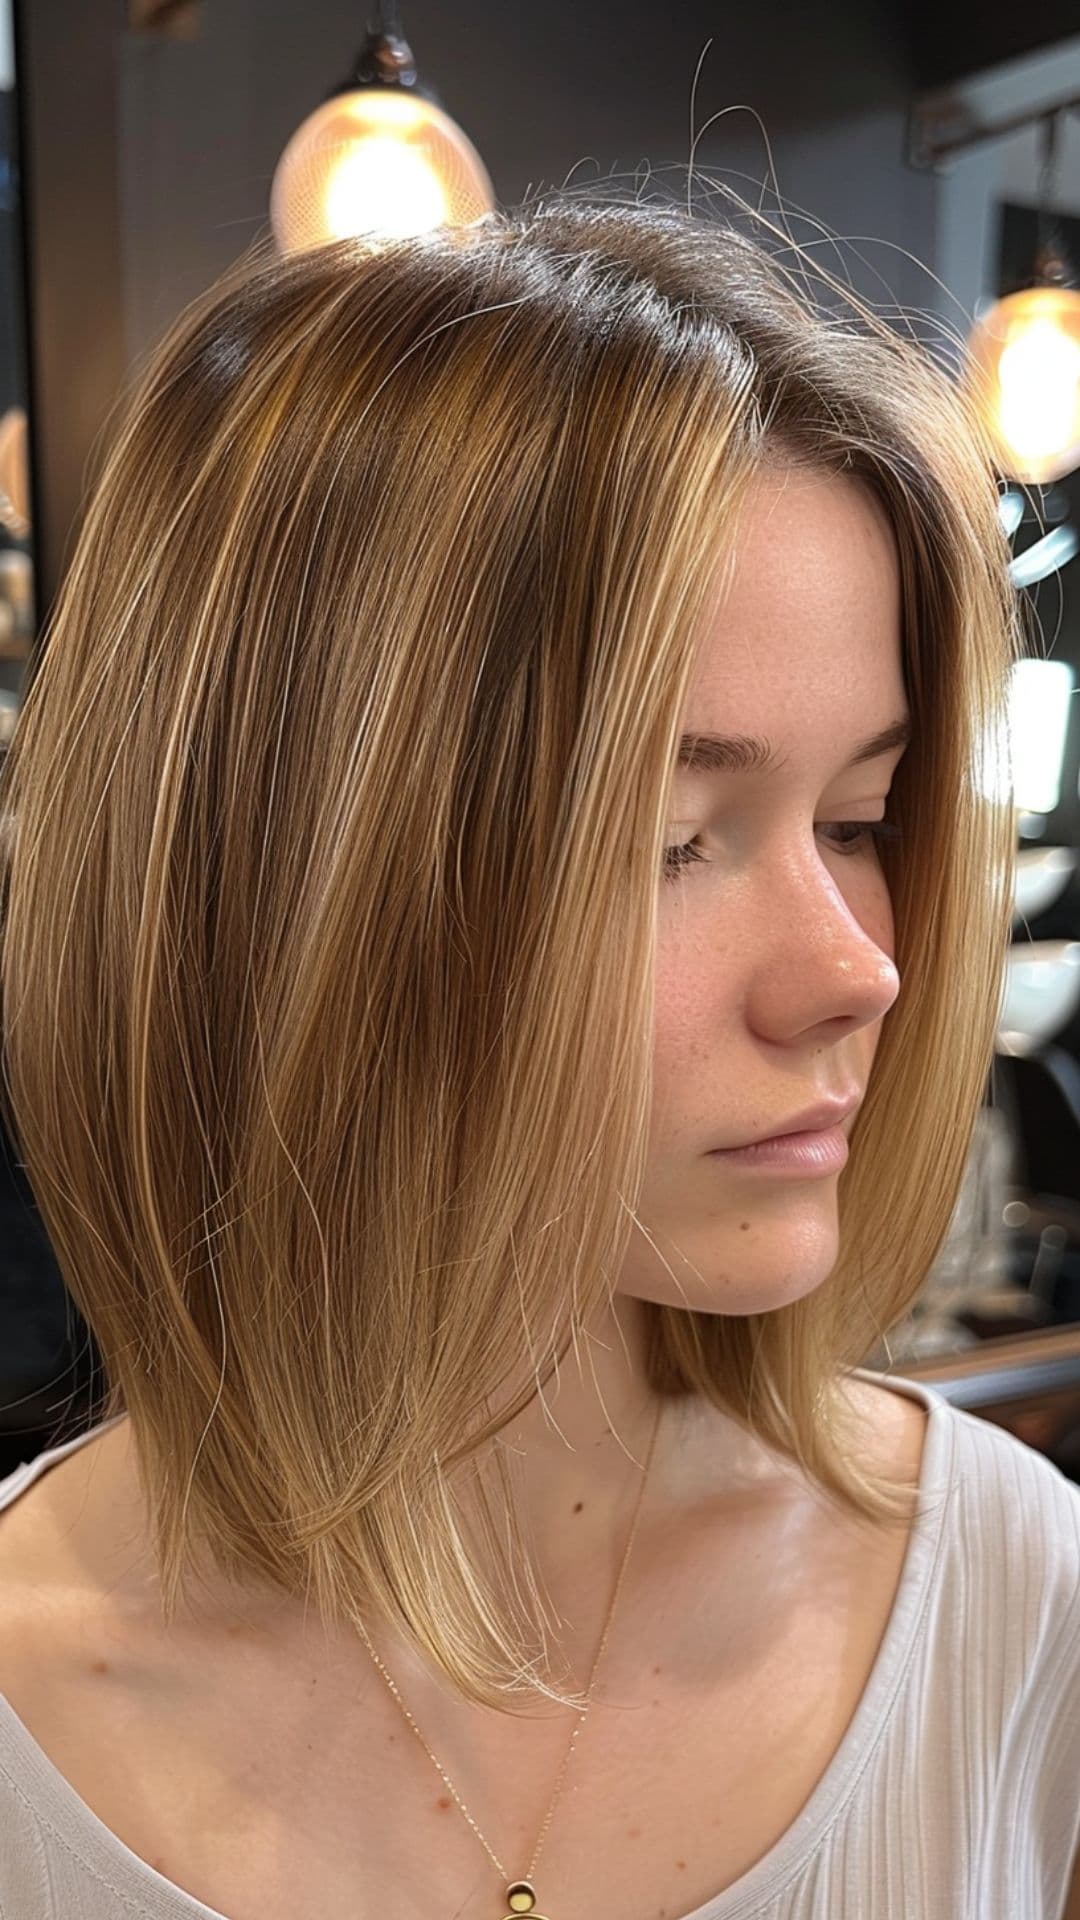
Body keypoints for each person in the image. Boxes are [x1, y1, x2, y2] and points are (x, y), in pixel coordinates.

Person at [0, 188, 1077, 1920]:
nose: (858, 971)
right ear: (280, 895)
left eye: (865, 818)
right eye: (668, 842)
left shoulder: (1016, 1602)